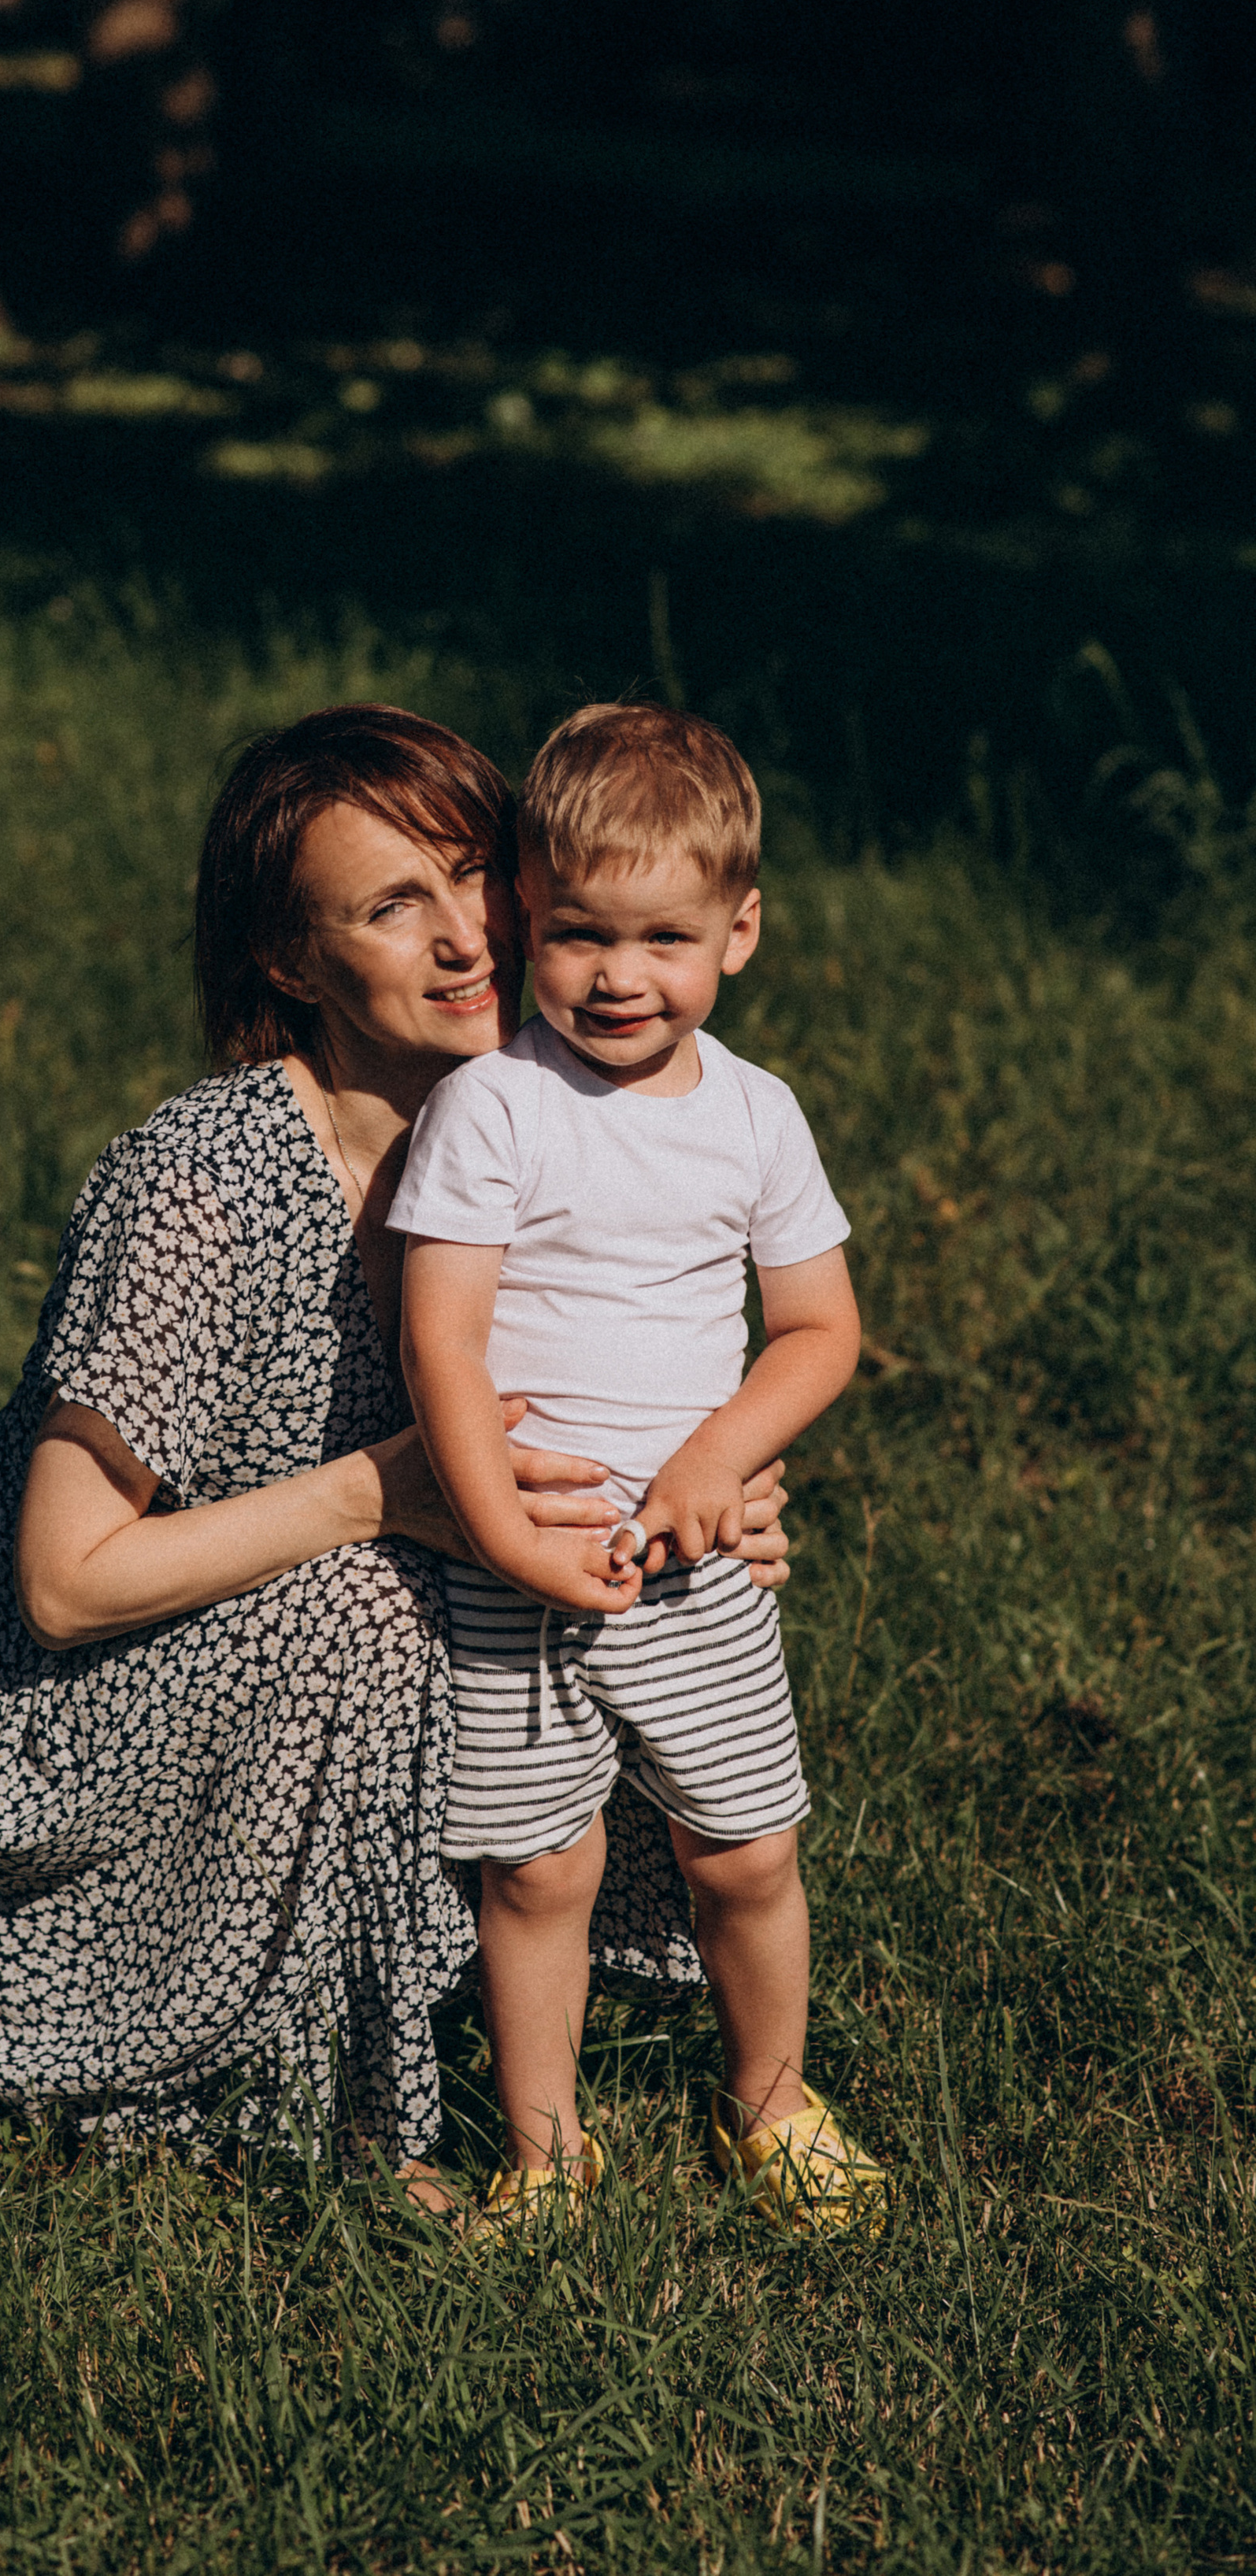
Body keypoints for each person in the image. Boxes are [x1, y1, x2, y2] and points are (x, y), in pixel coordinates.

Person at [0, 705, 793, 2189]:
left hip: (341, 1605)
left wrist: (711, 1478)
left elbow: (655, 1361)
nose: (465, 934)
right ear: (292, 961)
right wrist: (384, 1493)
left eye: (474, 874)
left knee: (506, 1610)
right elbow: (62, 1585)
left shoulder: (554, 1127)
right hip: (54, 1704)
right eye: (389, 904)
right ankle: (306, 2112)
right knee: (377, 1610)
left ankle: (535, 2017)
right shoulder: (206, 1182)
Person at [391, 701, 888, 2232]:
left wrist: (714, 1456)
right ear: (525, 918)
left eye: (663, 936)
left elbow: (815, 1327)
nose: (618, 975)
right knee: (535, 1872)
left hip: (692, 1562)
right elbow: (441, 1343)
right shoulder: (495, 1105)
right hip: (519, 1559)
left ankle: (767, 2097)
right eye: (580, 934)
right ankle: (545, 2153)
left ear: (737, 931)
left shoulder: (752, 1117)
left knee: (742, 1849)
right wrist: (495, 1531)